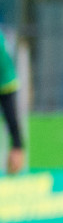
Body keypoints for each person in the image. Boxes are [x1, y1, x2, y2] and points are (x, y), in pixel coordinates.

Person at [0, 30, 25, 175]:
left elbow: (11, 115)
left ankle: (16, 151)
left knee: (13, 124)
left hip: (5, 84)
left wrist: (17, 145)